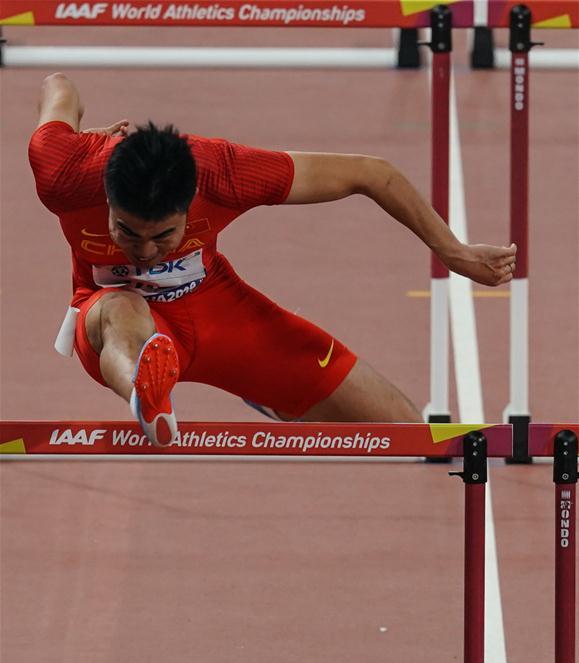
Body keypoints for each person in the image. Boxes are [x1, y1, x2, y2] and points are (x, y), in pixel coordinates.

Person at [29, 73, 516, 447]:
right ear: (107, 197)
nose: (145, 251)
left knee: (414, 436)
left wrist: (454, 251)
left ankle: (269, 393)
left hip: (217, 312)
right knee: (123, 308)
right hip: (111, 313)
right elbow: (58, 85)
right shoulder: (64, 170)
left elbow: (373, 174)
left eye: (163, 236)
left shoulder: (223, 171)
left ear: (191, 201)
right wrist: (78, 131)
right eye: (127, 232)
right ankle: (146, 394)